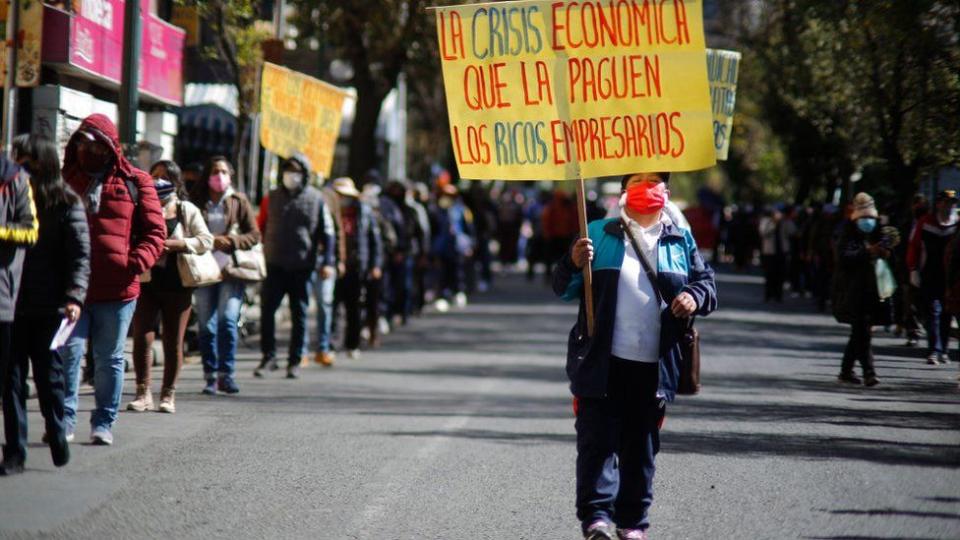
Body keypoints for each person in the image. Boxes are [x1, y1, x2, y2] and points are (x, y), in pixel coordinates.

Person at [553, 172, 717, 540]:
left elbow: (707, 284)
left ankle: (632, 524)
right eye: (638, 178)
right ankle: (596, 521)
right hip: (602, 363)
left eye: (654, 179)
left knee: (640, 451)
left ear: (666, 192)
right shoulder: (597, 231)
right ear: (625, 190)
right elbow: (562, 289)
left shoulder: (679, 238)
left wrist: (695, 295)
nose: (646, 185)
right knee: (597, 444)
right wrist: (571, 262)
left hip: (654, 369)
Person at [60, 114, 166, 446]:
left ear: (109, 147)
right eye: (82, 143)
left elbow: (155, 233)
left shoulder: (137, 181)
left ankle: (104, 421)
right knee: (68, 354)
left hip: (119, 292)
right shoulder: (63, 180)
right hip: (71, 292)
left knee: (109, 360)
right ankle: (63, 421)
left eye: (94, 144)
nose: (87, 150)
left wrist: (134, 263)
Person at [127, 161, 213, 413]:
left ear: (176, 183)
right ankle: (143, 393)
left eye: (164, 178)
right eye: (154, 176)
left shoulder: (186, 209)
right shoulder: (139, 205)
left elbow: (205, 240)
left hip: (178, 283)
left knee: (173, 340)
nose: (158, 182)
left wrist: (177, 244)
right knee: (142, 335)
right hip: (146, 280)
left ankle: (168, 395)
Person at [254, 154, 334, 379]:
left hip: (302, 266)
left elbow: (327, 233)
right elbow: (260, 225)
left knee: (299, 314)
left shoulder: (317, 199)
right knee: (267, 311)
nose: (291, 175)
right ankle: (268, 357)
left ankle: (295, 360)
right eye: (288, 170)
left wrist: (327, 261)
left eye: (296, 170)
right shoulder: (272, 197)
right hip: (274, 264)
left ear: (305, 174)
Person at [191, 156, 260, 394]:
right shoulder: (197, 200)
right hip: (203, 270)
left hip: (230, 271)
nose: (219, 176)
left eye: (223, 172)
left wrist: (231, 241)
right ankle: (210, 376)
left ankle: (226, 375)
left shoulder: (239, 201)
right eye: (214, 171)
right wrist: (207, 241)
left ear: (229, 175)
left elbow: (254, 235)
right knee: (206, 326)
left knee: (228, 320)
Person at [0, 146, 49, 475]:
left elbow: (30, 230)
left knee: (9, 381)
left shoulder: (16, 180)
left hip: (3, 300)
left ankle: (15, 452)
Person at [832, 193, 895, 387]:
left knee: (859, 332)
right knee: (863, 331)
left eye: (870, 218)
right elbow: (844, 258)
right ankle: (869, 372)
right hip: (853, 291)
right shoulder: (848, 234)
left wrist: (885, 250)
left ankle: (845, 370)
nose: (867, 221)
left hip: (874, 291)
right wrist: (867, 252)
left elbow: (889, 257)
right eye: (863, 218)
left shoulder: (878, 233)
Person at [331, 177, 382, 359]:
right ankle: (332, 342)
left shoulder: (364, 213)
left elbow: (374, 241)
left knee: (354, 307)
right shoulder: (330, 211)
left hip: (356, 266)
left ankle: (352, 343)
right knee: (333, 305)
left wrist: (375, 264)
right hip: (335, 265)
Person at [907, 190, 958, 365]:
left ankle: (943, 349)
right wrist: (913, 269)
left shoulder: (957, 224)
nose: (950, 206)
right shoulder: (925, 223)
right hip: (929, 273)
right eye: (946, 202)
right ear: (938, 204)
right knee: (932, 312)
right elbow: (913, 246)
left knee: (947, 313)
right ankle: (933, 350)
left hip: (951, 276)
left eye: (952, 203)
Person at [758, 207, 787, 302]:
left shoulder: (784, 222)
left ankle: (778, 295)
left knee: (780, 275)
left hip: (781, 252)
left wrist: (783, 221)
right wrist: (774, 223)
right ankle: (768, 295)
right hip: (769, 252)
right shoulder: (766, 221)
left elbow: (793, 231)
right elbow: (763, 232)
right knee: (769, 274)